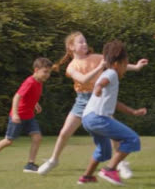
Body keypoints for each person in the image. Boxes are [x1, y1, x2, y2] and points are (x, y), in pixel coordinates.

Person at [37, 32, 148, 178]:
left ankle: (121, 164)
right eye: (80, 42)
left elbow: (118, 64)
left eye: (85, 41)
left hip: (99, 100)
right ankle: (54, 160)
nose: (84, 44)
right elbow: (83, 80)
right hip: (82, 101)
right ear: (71, 47)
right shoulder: (71, 67)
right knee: (65, 132)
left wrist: (136, 67)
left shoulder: (96, 58)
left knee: (114, 135)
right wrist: (99, 67)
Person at [78, 40, 147, 185]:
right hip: (98, 118)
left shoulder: (110, 74)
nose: (125, 69)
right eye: (124, 65)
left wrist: (132, 112)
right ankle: (110, 170)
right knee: (132, 138)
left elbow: (114, 103)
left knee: (104, 150)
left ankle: (87, 177)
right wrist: (98, 88)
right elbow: (102, 81)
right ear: (117, 64)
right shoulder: (112, 74)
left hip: (87, 118)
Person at [0, 57, 53, 173]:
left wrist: (35, 104)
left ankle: (30, 164)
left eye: (49, 72)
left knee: (37, 137)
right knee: (9, 140)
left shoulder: (39, 82)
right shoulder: (30, 82)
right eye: (45, 72)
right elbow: (17, 97)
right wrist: (14, 114)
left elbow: (30, 96)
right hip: (18, 116)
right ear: (36, 70)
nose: (47, 75)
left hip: (29, 116)